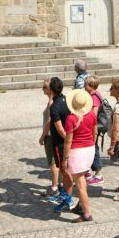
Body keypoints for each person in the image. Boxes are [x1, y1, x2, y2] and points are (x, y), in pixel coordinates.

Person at [59, 88, 97, 222]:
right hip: (90, 149)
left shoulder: (71, 118)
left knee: (80, 184)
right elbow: (94, 132)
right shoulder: (92, 114)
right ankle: (81, 206)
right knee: (83, 181)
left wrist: (65, 158)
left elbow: (68, 140)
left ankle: (86, 214)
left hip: (77, 152)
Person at [46, 77, 76, 210]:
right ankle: (65, 194)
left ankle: (68, 199)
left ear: (51, 90)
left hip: (60, 144)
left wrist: (67, 140)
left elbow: (59, 128)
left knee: (64, 170)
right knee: (66, 170)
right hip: (69, 140)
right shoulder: (68, 101)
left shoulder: (54, 106)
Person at [38, 78, 61, 197]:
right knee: (58, 162)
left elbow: (49, 122)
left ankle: (54, 187)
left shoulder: (51, 103)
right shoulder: (57, 100)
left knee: (53, 163)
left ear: (50, 89)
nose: (42, 89)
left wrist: (42, 136)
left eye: (44, 87)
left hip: (50, 136)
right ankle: (59, 184)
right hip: (55, 135)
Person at [84, 75, 104, 185]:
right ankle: (87, 171)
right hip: (92, 126)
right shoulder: (92, 95)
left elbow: (94, 114)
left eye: (85, 84)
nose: (84, 86)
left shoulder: (94, 97)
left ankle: (98, 174)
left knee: (94, 149)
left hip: (93, 127)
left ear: (91, 86)